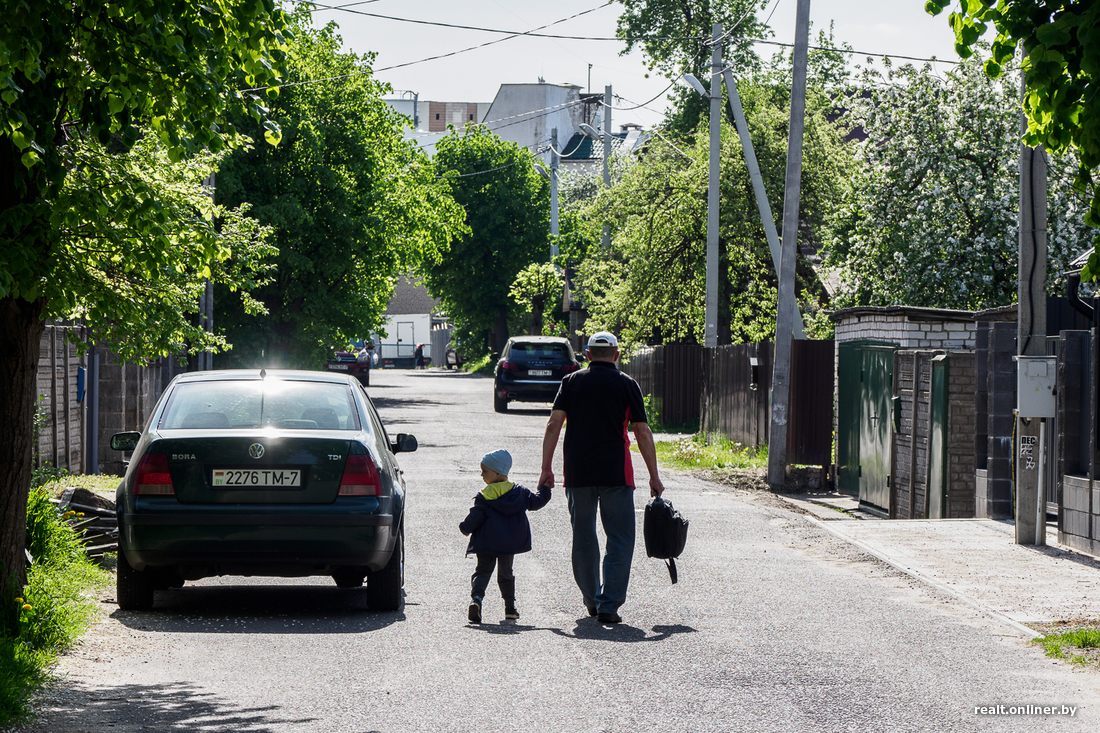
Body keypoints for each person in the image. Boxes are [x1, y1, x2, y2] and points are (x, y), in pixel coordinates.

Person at [539, 331, 664, 625]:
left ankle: (592, 599)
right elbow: (642, 432)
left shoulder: (571, 382)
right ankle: (608, 605)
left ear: (587, 353)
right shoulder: (627, 384)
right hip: (617, 474)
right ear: (617, 355)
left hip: (578, 472)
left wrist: (546, 468)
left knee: (583, 537)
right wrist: (654, 476)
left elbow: (553, 424)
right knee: (620, 539)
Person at [459, 449, 551, 623]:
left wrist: (465, 528)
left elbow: (475, 517)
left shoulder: (485, 495)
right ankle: (509, 608)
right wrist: (545, 489)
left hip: (486, 543)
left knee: (482, 571)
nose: (481, 475)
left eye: (485, 471)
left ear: (498, 472)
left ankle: (476, 600)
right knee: (506, 574)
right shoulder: (520, 493)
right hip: (508, 544)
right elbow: (537, 502)